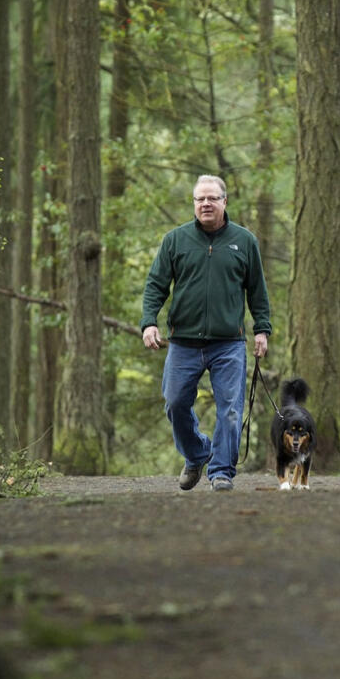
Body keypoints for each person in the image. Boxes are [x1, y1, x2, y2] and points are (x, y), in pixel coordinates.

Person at [141, 174, 272, 492]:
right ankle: (197, 453)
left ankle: (222, 471)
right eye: (200, 199)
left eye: (212, 198)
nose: (206, 204)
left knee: (230, 408)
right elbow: (155, 285)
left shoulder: (245, 241)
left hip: (228, 342)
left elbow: (257, 291)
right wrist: (149, 322)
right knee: (174, 402)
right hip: (184, 341)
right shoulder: (176, 240)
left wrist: (262, 330)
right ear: (194, 204)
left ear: (225, 201)